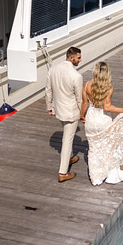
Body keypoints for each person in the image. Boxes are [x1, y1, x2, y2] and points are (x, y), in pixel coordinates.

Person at [46, 46, 83, 183]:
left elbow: (48, 90)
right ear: (71, 57)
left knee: (67, 136)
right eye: (78, 57)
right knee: (67, 140)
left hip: (58, 109)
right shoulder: (76, 76)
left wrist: (49, 106)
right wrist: (83, 114)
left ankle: (70, 157)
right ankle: (63, 172)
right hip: (71, 112)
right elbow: (79, 98)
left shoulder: (53, 69)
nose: (80, 60)